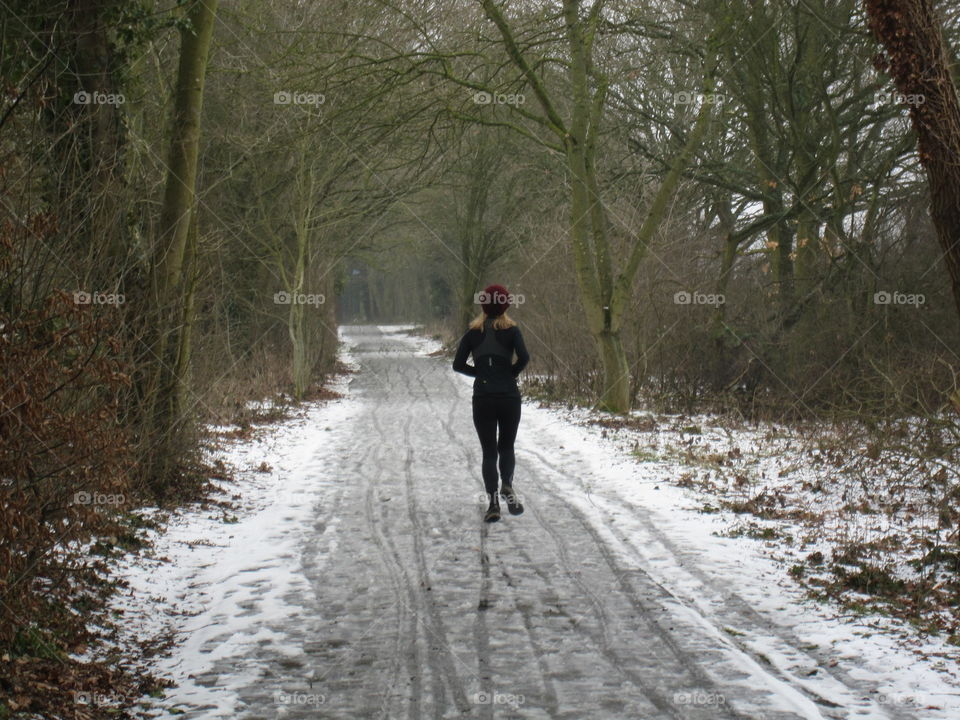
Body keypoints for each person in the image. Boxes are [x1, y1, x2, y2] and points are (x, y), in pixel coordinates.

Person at [452, 284, 530, 522]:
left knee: (489, 452)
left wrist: (481, 374)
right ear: (505, 305)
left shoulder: (472, 333)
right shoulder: (512, 331)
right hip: (508, 397)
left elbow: (457, 365)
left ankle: (493, 505)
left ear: (483, 306)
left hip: (483, 398)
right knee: (506, 447)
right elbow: (524, 358)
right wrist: (509, 374)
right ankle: (507, 484)